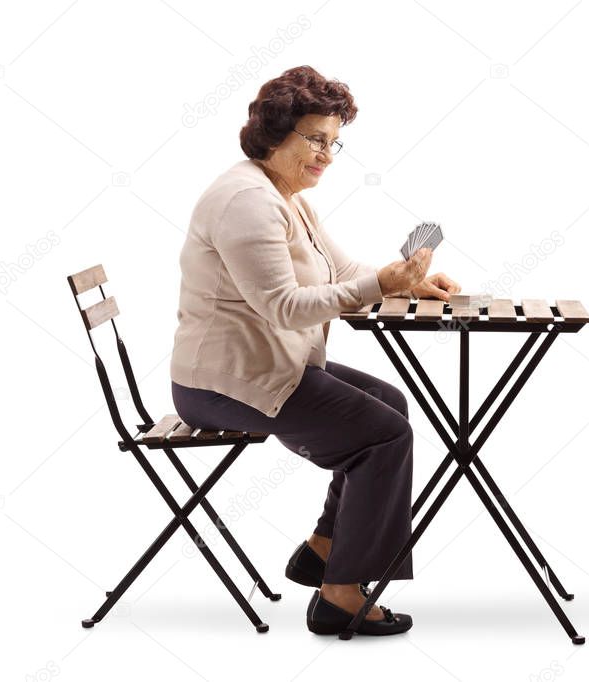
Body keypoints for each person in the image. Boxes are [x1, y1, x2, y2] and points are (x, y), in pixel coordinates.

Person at [169, 65, 460, 636]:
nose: (328, 154)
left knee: (389, 404)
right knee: (385, 436)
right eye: (316, 140)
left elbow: (340, 270)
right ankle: (340, 596)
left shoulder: (285, 193)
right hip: (222, 382)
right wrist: (382, 285)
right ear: (275, 132)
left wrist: (404, 280)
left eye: (334, 141)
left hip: (267, 364)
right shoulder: (246, 201)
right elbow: (285, 305)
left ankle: (326, 548)